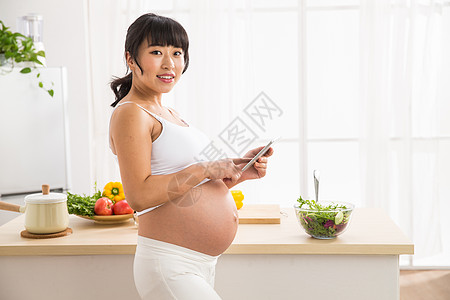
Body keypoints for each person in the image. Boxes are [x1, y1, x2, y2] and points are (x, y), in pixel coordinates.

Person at [109, 13, 273, 300]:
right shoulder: (131, 113)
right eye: (156, 52)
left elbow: (182, 192)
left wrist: (237, 172)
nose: (169, 63)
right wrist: (205, 169)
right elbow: (139, 196)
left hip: (198, 264)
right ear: (131, 59)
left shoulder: (171, 114)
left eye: (177, 53)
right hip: (169, 264)